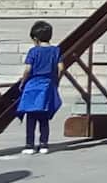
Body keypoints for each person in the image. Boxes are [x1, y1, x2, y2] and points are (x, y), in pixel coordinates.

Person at [17, 21, 62, 154]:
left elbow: (28, 70)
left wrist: (22, 82)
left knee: (31, 116)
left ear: (35, 38)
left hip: (33, 85)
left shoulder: (33, 51)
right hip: (47, 85)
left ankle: (29, 145)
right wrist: (56, 80)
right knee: (44, 116)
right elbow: (61, 68)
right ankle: (44, 144)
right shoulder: (56, 50)